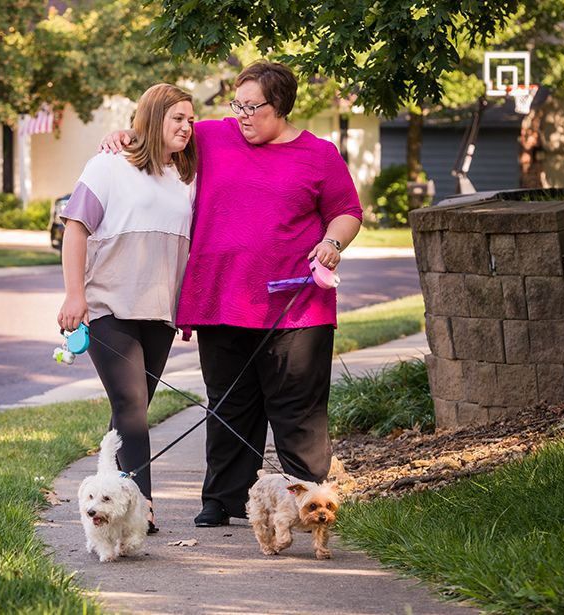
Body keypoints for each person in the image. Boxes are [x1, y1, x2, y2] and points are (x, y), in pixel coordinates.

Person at [102, 62, 361, 527]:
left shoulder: (319, 155)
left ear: (278, 106)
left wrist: (332, 243)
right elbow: (165, 131)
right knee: (228, 407)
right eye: (236, 104)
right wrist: (128, 135)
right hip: (221, 300)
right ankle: (223, 499)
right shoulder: (213, 136)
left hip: (296, 307)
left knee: (296, 408)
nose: (241, 115)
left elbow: (347, 211)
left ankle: (310, 504)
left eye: (252, 107)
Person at [58, 83, 197, 533]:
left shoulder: (186, 176)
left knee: (129, 412)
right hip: (108, 304)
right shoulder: (108, 165)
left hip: (158, 311)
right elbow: (76, 229)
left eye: (192, 119)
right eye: (178, 118)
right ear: (154, 118)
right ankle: (143, 512)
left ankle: (106, 500)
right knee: (131, 405)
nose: (188, 127)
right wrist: (74, 295)